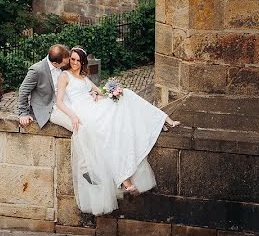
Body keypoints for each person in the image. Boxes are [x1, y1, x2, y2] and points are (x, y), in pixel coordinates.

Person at [54, 47, 181, 215]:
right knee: (111, 133)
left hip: (94, 106)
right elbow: (59, 102)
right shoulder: (65, 76)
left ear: (83, 62)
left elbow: (100, 92)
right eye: (73, 60)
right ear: (69, 59)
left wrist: (109, 92)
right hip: (84, 113)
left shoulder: (84, 76)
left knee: (125, 95)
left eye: (78, 60)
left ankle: (162, 118)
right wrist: (73, 117)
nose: (75, 63)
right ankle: (124, 179)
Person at [16, 44, 74, 132]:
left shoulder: (62, 64)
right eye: (65, 63)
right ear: (55, 63)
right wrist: (23, 113)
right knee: (75, 124)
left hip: (66, 102)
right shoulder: (37, 70)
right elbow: (23, 91)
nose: (67, 64)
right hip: (49, 107)